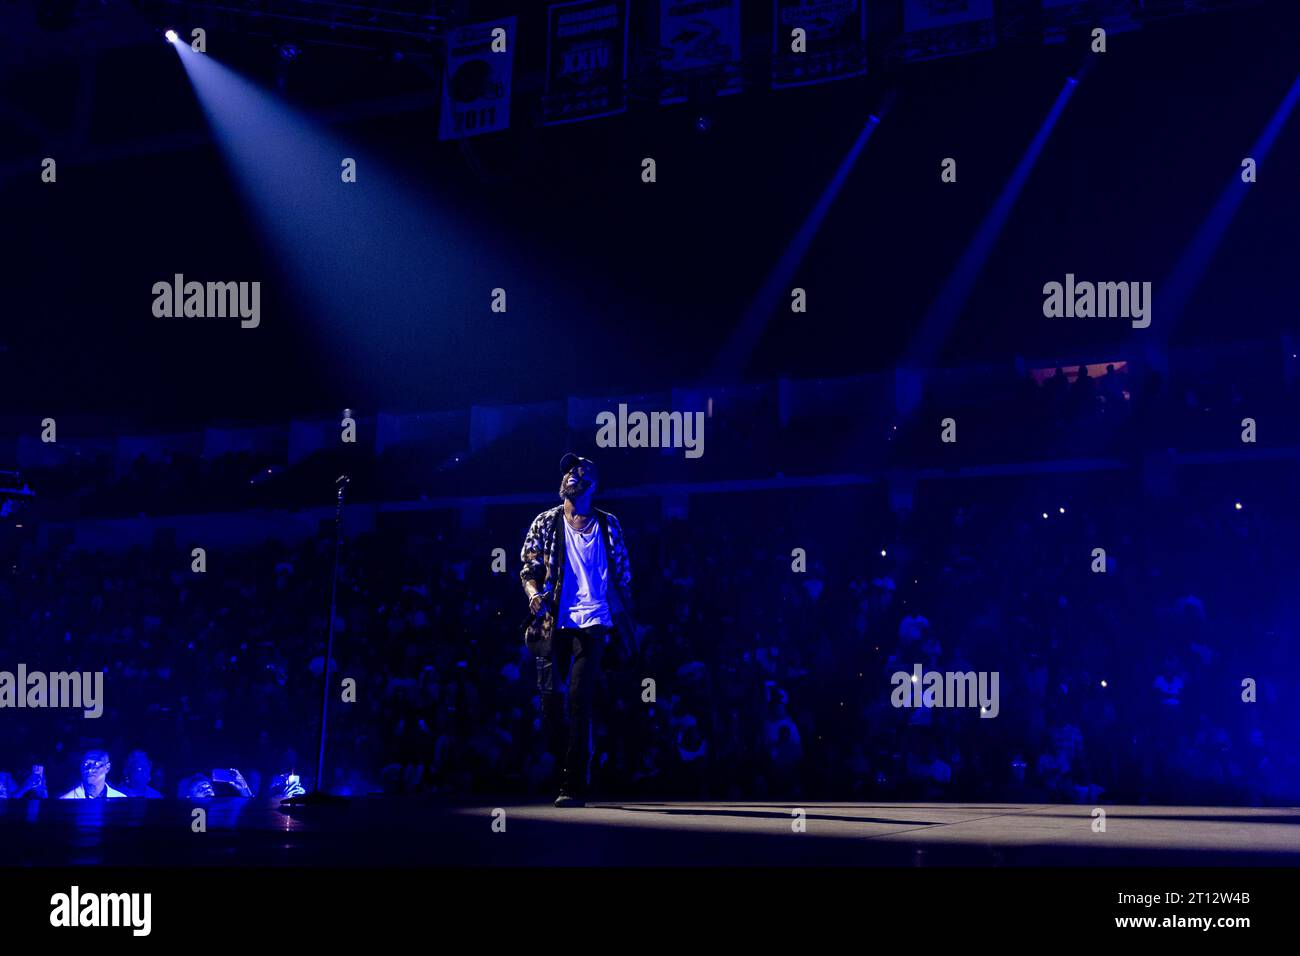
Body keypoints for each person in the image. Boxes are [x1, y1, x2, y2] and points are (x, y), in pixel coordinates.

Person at [520, 453, 633, 808]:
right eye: (568, 471)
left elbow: (624, 574)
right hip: (557, 623)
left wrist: (621, 614)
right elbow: (529, 566)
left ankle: (573, 784)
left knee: (579, 701)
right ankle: (575, 757)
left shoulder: (607, 523)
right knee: (551, 706)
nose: (571, 475)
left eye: (580, 472)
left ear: (593, 485)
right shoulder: (546, 522)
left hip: (595, 621)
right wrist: (534, 593)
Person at [59, 750, 127, 799]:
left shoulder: (121, 799)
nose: (90, 769)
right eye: (86, 764)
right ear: (80, 767)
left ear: (107, 767)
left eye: (96, 764)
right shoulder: (66, 800)